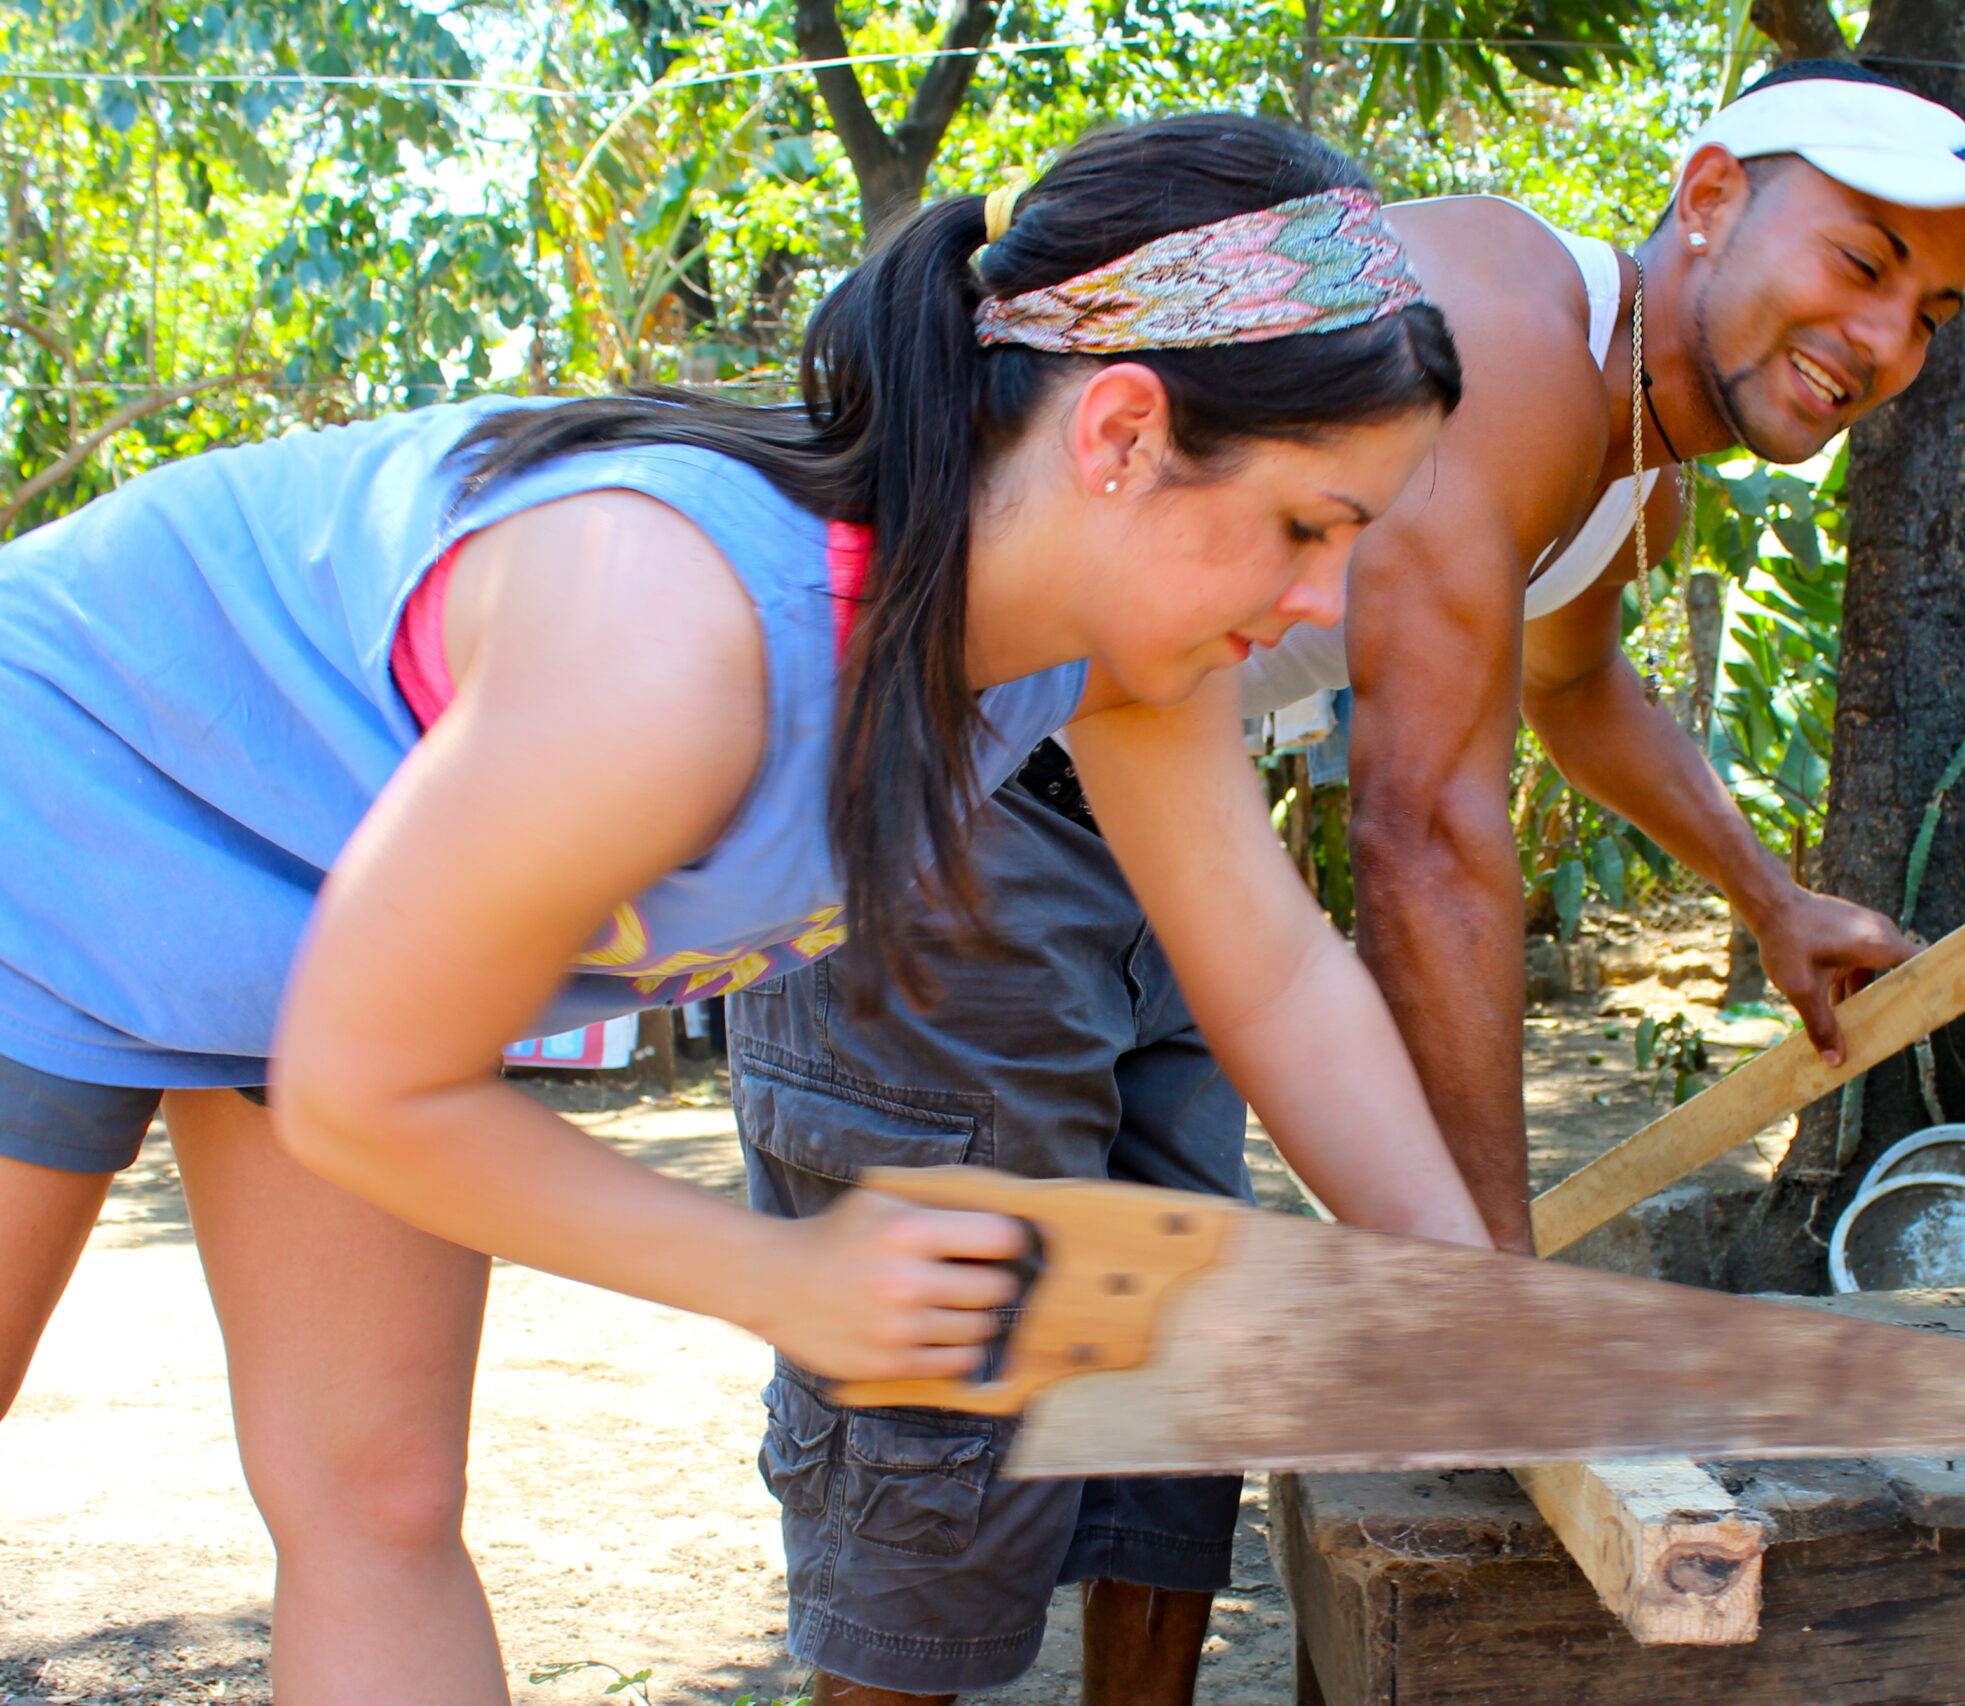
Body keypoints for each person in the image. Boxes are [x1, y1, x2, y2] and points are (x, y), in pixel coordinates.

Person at [0, 115, 1496, 1705]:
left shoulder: (1100, 652)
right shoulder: (679, 635)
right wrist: (783, 1277)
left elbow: (1269, 969)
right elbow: (372, 1088)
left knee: (373, 1500)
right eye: (1308, 527)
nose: (1323, 606)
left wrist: (1468, 1292)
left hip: (336, 928)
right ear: (1121, 431)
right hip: (66, 799)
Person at [731, 59, 1965, 1706]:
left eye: (1934, 313)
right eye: (1864, 262)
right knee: (949, 1412)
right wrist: (1499, 1305)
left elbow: (1579, 693)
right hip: (974, 795)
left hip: (1168, 809)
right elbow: (1425, 823)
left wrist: (1766, 895)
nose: (1887, 342)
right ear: (1713, 199)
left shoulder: (1636, 457)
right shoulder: (1517, 339)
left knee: (1173, 1375)